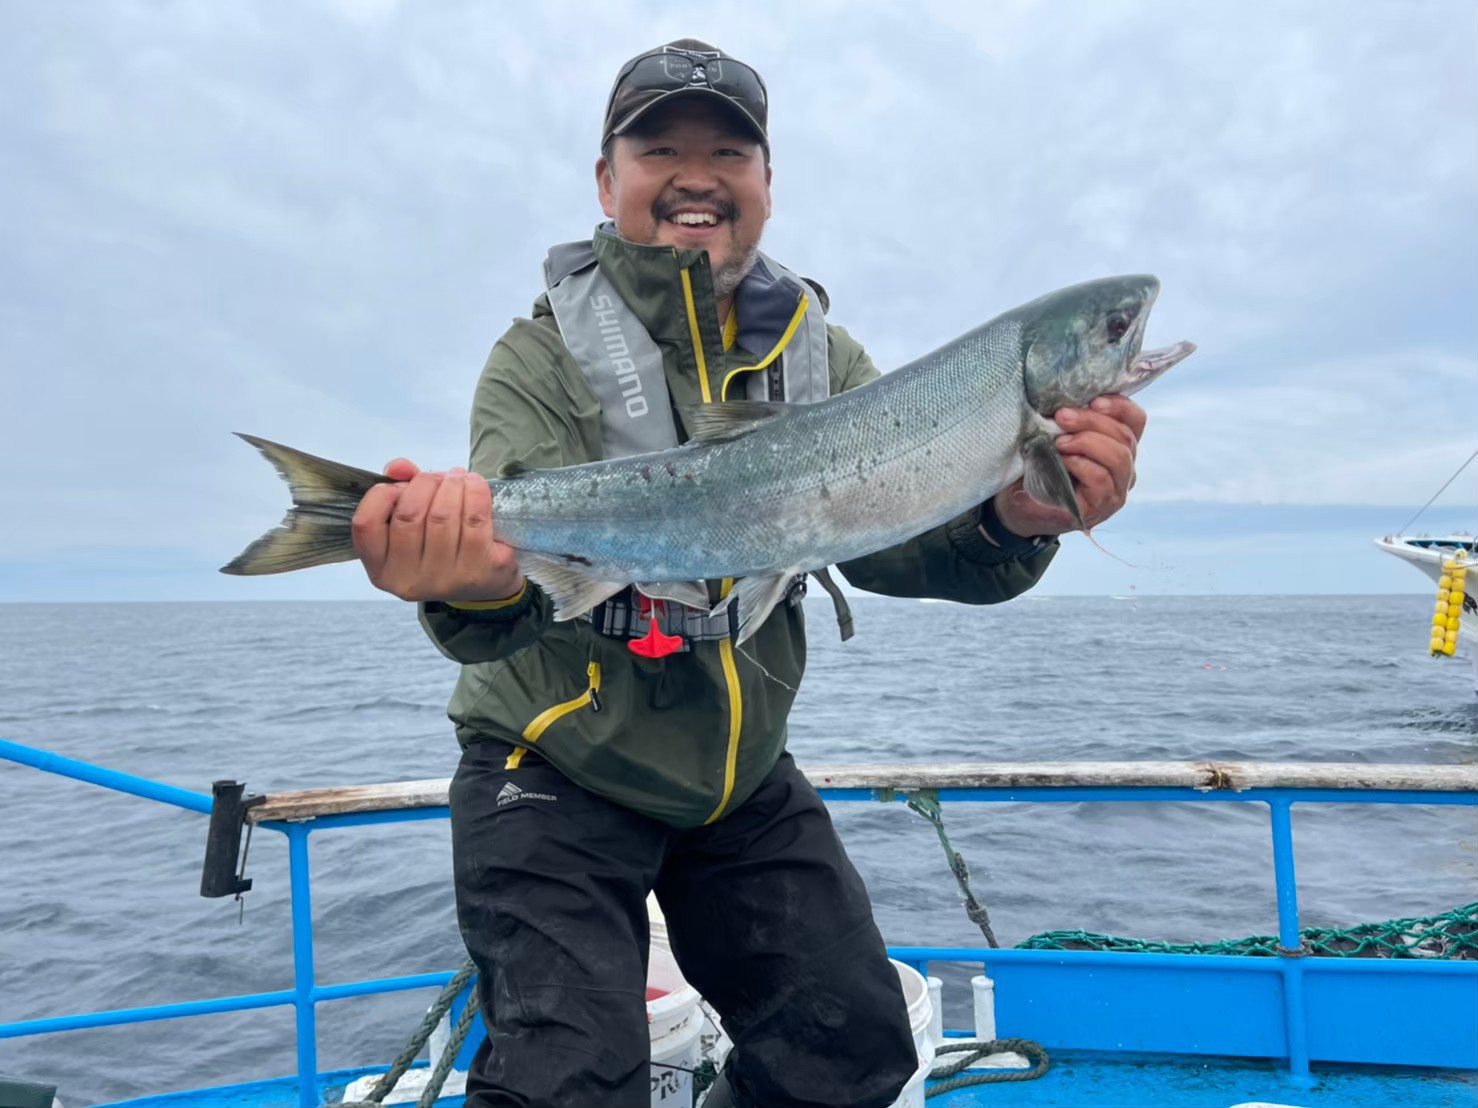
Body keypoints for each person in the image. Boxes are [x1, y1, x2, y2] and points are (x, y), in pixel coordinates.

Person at [349, 39, 1145, 1108]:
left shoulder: (822, 356)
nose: (695, 172)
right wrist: (473, 581)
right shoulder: (536, 359)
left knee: (854, 1052)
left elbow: (897, 541)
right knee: (562, 1087)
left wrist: (1012, 519)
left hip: (733, 772)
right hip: (553, 761)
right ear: (605, 180)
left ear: (765, 184)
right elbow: (502, 604)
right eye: (658, 147)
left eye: (728, 149)